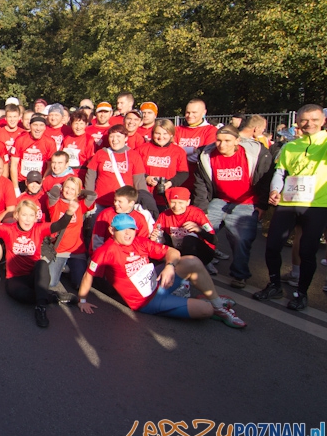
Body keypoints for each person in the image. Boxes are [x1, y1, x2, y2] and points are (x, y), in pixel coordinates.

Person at [77, 213, 246, 328]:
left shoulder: (139, 242)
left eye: (131, 229)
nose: (128, 234)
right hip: (147, 301)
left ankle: (217, 304)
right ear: (112, 231)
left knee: (192, 261)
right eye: (122, 230)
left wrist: (169, 267)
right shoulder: (105, 251)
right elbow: (88, 275)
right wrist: (82, 301)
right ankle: (209, 304)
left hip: (159, 281)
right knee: (205, 311)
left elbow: (173, 252)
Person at [255, 104, 327, 310]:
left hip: (316, 205)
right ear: (298, 122)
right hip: (288, 202)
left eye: (314, 119)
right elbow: (281, 172)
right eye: (305, 120)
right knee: (272, 246)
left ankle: (301, 293)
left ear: (323, 121)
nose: (309, 124)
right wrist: (274, 190)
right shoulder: (290, 146)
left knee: (307, 250)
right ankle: (275, 285)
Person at [0, 197, 75, 328]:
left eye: (31, 215)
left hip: (33, 274)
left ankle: (41, 308)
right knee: (23, 296)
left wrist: (69, 212)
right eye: (24, 215)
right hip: (15, 278)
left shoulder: (39, 229)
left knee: (42, 264)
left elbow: (58, 225)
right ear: (17, 215)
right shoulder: (9, 230)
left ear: (36, 217)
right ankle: (54, 297)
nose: (27, 219)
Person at [193, 125, 272, 288]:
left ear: (237, 140)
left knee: (241, 239)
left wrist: (262, 205)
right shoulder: (207, 155)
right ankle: (202, 264)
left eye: (227, 141)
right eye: (219, 141)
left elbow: (265, 179)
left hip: (247, 202)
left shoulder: (254, 154)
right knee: (200, 230)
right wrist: (201, 209)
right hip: (220, 200)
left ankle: (239, 275)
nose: (222, 145)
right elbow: (200, 183)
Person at [136, 120, 189, 210]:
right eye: (157, 133)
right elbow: (134, 170)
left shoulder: (178, 151)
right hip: (145, 194)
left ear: (171, 134)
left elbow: (183, 173)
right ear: (152, 134)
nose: (161, 137)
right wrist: (146, 177)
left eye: (165, 133)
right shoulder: (141, 149)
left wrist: (170, 183)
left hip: (167, 197)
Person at [10, 115, 56, 192]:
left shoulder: (50, 142)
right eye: (35, 125)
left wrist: (42, 182)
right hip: (22, 181)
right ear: (30, 126)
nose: (38, 128)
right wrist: (15, 188)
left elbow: (50, 166)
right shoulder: (20, 140)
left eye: (41, 125)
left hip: (38, 183)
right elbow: (13, 165)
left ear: (45, 127)